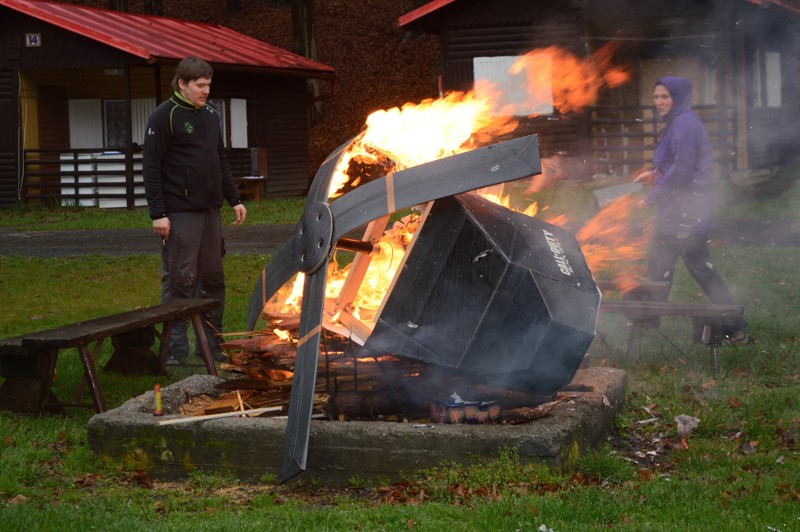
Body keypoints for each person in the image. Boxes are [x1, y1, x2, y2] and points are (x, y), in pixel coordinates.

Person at [143, 56, 247, 362]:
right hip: (179, 213)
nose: (206, 91)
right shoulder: (164, 116)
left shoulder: (211, 114)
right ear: (182, 84)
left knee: (213, 279)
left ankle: (213, 349)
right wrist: (157, 213)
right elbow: (151, 167)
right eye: (200, 86)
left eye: (208, 85)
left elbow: (220, 160)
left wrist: (234, 198)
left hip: (210, 211)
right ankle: (175, 353)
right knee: (180, 279)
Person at [635, 76, 750, 345]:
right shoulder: (677, 122)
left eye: (665, 97)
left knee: (700, 267)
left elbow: (683, 172)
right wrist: (653, 175)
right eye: (656, 97)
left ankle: (735, 326)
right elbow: (673, 164)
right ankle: (649, 322)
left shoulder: (686, 123)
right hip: (674, 209)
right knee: (659, 263)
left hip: (689, 211)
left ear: (679, 98)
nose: (660, 102)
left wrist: (650, 198)